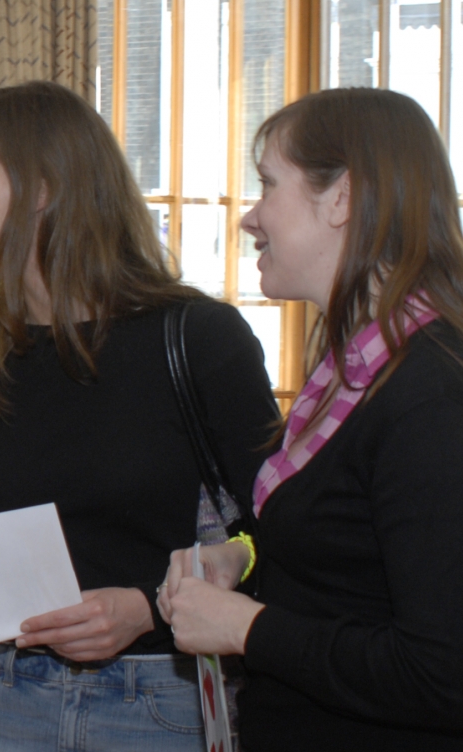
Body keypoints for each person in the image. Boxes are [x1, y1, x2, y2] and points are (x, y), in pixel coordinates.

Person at [0, 82, 279, 751]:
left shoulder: (199, 340)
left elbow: (281, 541)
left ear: (42, 187)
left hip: (156, 706)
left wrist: (149, 607)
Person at [158, 88, 463, 750]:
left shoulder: (431, 391)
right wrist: (240, 557)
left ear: (342, 198)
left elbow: (443, 672)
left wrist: (247, 628)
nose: (249, 217)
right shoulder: (358, 370)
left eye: (268, 185)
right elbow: (354, 560)